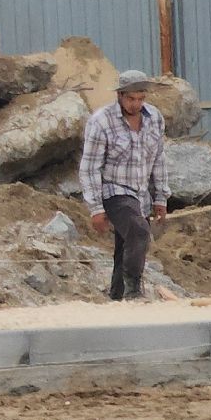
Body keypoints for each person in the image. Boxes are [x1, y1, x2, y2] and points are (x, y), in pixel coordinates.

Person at [78, 69, 169, 301]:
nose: (135, 104)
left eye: (140, 98)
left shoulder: (154, 118)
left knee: (126, 244)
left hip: (140, 194)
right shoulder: (101, 122)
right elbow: (90, 167)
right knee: (139, 231)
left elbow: (158, 158)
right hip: (113, 191)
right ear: (120, 95)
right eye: (130, 99)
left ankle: (117, 296)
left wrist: (160, 197)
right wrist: (96, 208)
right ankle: (134, 291)